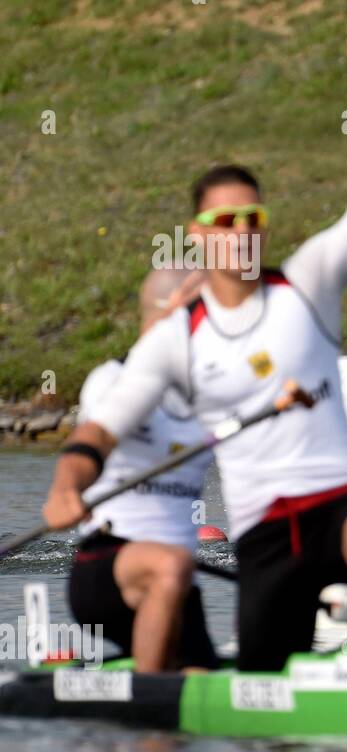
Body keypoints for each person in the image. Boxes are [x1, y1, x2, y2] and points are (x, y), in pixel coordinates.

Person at [43, 6, 347, 671]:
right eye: (225, 220)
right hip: (264, 533)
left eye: (253, 217)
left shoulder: (309, 283)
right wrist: (67, 481)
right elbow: (99, 433)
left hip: (338, 500)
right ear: (199, 234)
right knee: (264, 691)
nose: (241, 230)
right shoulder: (174, 342)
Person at [68, 269, 218, 672]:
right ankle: (147, 699)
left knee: (200, 681)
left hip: (181, 583)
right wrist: (67, 488)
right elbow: (87, 445)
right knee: (170, 565)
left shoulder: (206, 391)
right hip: (108, 565)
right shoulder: (113, 379)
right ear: (171, 311)